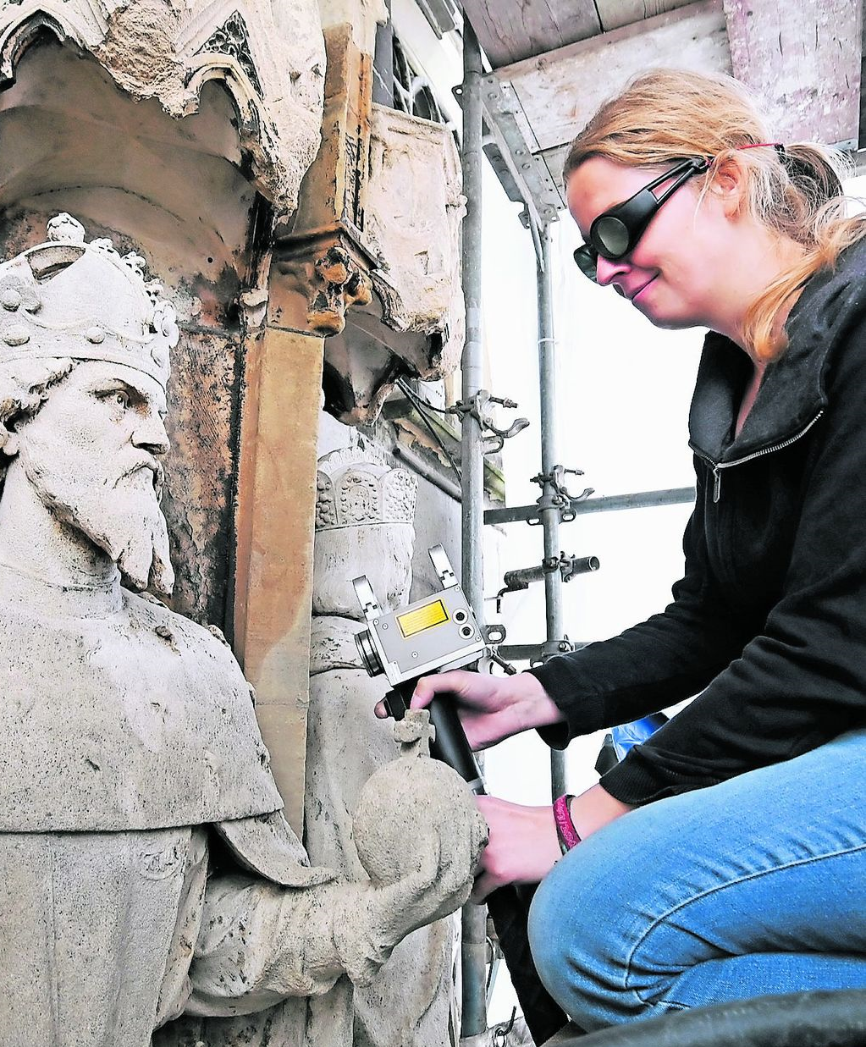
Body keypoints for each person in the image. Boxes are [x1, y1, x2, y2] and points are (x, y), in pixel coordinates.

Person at [0, 214, 486, 1047]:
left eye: (157, 405)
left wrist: (375, 910)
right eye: (116, 398)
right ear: (10, 415)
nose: (156, 434)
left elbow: (198, 941)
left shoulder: (194, 674)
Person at [393, 69, 866, 1031]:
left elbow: (834, 643)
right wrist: (537, 696)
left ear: (725, 180)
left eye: (617, 230)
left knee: (591, 924)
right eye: (586, 255)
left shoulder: (858, 320)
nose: (606, 271)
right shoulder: (738, 375)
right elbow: (714, 619)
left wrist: (576, 822)